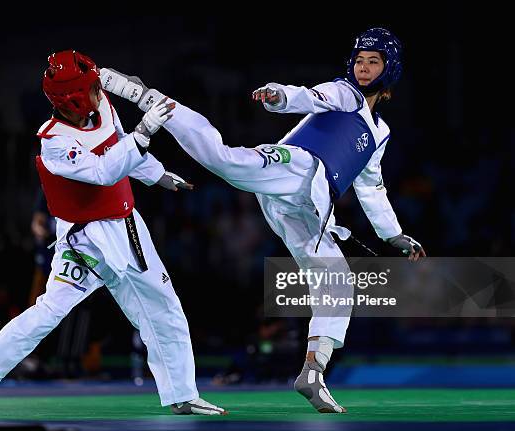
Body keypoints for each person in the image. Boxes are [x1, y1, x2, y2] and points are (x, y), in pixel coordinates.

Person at [102, 28, 425, 413]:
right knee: (223, 159)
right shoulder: (345, 93)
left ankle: (313, 369)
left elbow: (372, 187)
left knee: (337, 278)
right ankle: (148, 98)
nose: (364, 68)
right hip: (293, 166)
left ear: (390, 69)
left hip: (308, 205)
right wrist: (280, 95)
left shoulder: (381, 133)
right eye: (359, 60)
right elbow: (311, 95)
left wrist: (395, 235)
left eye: (374, 62)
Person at [0, 50, 226, 418]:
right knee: (49, 311)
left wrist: (158, 174)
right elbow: (104, 171)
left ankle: (183, 393)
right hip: (84, 239)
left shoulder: (103, 107)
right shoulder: (53, 142)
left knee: (164, 305)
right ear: (69, 99)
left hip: (127, 227)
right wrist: (145, 132)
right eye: (90, 89)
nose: (98, 93)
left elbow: (122, 147)